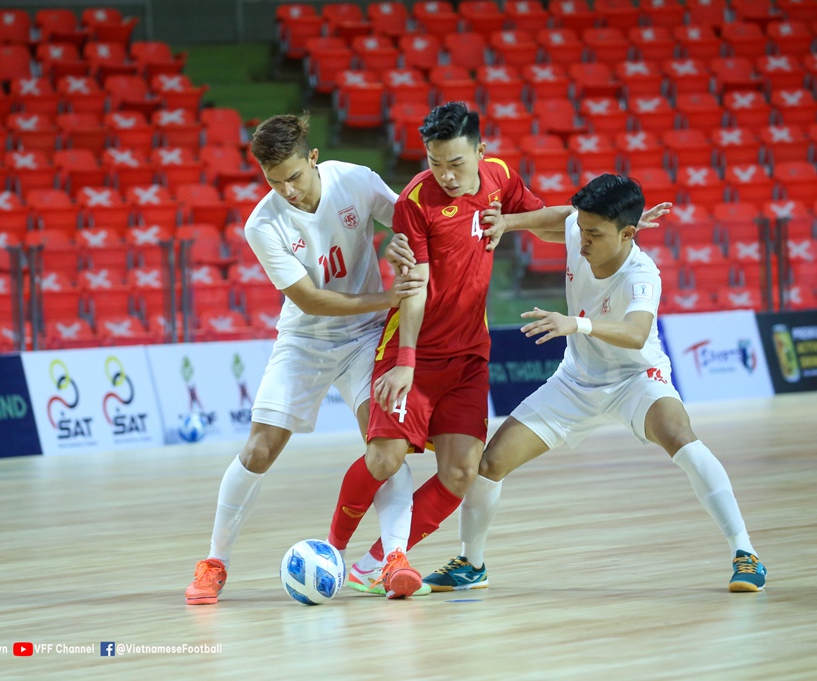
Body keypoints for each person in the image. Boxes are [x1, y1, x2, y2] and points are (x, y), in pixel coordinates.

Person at [421, 173, 767, 593]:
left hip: (635, 379)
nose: (581, 240)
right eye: (582, 229)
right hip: (575, 382)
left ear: (627, 234)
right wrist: (509, 223)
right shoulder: (581, 228)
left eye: (594, 234)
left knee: (681, 438)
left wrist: (577, 324)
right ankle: (472, 564)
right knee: (491, 464)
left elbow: (636, 333)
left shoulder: (642, 274)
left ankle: (745, 552)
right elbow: (560, 219)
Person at [184, 113, 429, 605]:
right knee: (259, 450)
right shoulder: (263, 224)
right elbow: (311, 301)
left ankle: (394, 559)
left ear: (313, 158)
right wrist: (387, 299)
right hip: (305, 341)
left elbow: (411, 224)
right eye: (274, 182)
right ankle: (214, 563)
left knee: (385, 446)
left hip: (366, 338)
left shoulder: (356, 181)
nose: (288, 191)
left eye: (294, 177)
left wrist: (400, 244)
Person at [325, 101, 558, 599]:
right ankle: (330, 551)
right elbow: (414, 285)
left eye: (456, 163)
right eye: (435, 163)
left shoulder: (499, 177)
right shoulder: (416, 200)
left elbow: (546, 223)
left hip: (469, 355)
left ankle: (374, 565)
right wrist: (406, 363)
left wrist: (606, 224)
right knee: (384, 458)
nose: (446, 176)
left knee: (460, 471)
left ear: (481, 151)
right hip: (412, 351)